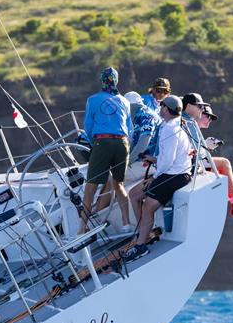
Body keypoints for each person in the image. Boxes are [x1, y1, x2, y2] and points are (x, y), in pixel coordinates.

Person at [126, 95, 193, 260]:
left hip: (176, 175)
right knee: (134, 195)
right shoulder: (171, 125)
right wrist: (154, 159)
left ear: (166, 109)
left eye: (162, 106)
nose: (160, 108)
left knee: (148, 206)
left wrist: (154, 177)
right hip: (170, 171)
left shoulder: (170, 129)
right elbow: (168, 157)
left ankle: (141, 246)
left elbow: (168, 160)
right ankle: (143, 231)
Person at [182, 93, 233, 217]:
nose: (209, 120)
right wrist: (206, 147)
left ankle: (228, 189)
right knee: (224, 163)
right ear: (190, 107)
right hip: (186, 164)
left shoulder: (184, 121)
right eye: (207, 116)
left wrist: (205, 147)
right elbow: (195, 152)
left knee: (218, 166)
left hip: (187, 162)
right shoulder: (190, 123)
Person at [80, 67, 133, 234]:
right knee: (119, 184)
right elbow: (130, 129)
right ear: (117, 81)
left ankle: (82, 228)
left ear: (102, 80)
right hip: (122, 143)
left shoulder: (93, 100)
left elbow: (88, 127)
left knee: (90, 187)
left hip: (103, 142)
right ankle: (126, 223)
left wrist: (94, 144)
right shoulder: (125, 101)